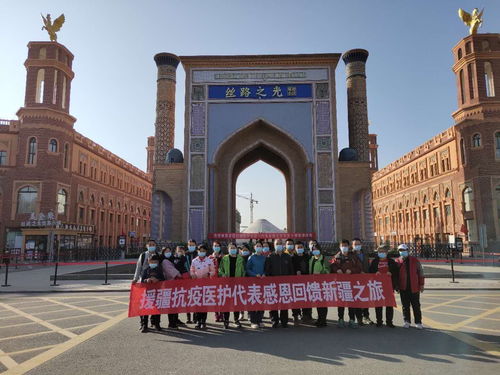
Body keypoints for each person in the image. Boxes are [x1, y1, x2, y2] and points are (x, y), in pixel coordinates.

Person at [330, 239, 363, 328]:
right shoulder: (336, 257)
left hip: (351, 284)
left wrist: (351, 270)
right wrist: (337, 270)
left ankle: (352, 320)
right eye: (342, 246)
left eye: (346, 246)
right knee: (341, 303)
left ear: (349, 247)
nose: (344, 247)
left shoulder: (354, 257)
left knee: (351, 302)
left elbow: (359, 268)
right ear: (340, 247)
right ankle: (340, 319)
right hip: (340, 284)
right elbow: (332, 267)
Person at [265, 239, 294, 328]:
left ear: (283, 245)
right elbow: (267, 270)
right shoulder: (270, 256)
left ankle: (284, 321)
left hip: (284, 284)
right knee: (274, 303)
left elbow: (291, 270)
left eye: (280, 244)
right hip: (273, 284)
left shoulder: (287, 257)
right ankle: (275, 320)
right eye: (277, 244)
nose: (279, 245)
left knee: (284, 302)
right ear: (274, 245)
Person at [132, 239, 159, 331]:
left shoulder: (158, 255)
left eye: (153, 244)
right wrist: (135, 279)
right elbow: (138, 267)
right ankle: (143, 324)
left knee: (156, 303)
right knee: (144, 303)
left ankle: (155, 322)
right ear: (147, 246)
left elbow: (161, 268)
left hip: (156, 283)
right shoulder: (143, 255)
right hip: (144, 282)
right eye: (150, 244)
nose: (152, 246)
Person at [368, 245, 399, 328]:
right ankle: (379, 321)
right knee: (378, 303)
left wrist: (391, 272)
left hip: (389, 285)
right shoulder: (374, 262)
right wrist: (375, 273)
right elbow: (370, 271)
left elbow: (396, 272)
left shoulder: (391, 262)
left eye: (383, 252)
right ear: (377, 253)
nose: (382, 253)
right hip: (377, 285)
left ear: (386, 252)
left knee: (389, 304)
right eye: (380, 252)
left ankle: (389, 321)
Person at [396, 244, 425, 329]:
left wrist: (422, 284)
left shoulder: (414, 260)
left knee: (416, 305)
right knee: (405, 306)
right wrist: (396, 286)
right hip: (403, 287)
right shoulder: (397, 261)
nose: (402, 252)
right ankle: (406, 321)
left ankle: (418, 322)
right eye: (400, 250)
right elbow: (396, 275)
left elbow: (420, 272)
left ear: (407, 250)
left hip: (414, 287)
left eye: (404, 250)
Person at [219, 243, 246, 329]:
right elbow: (220, 269)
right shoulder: (225, 258)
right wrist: (222, 274)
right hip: (227, 284)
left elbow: (243, 271)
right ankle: (226, 320)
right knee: (226, 302)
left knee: (236, 303)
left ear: (237, 249)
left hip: (237, 283)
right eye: (231, 248)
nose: (233, 249)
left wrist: (242, 279)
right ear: (228, 249)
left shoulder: (240, 259)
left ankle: (236, 320)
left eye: (234, 248)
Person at [190, 244, 215, 329]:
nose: (202, 252)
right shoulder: (194, 261)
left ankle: (203, 321)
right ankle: (198, 321)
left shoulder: (209, 261)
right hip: (196, 285)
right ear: (198, 251)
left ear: (206, 252)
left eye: (203, 251)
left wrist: (208, 274)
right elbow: (191, 270)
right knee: (197, 303)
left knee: (204, 303)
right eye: (200, 251)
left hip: (206, 285)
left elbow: (213, 271)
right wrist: (192, 274)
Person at [139, 254, 165, 333]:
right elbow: (142, 281)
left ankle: (157, 324)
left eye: (155, 261)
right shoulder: (146, 270)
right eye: (151, 261)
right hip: (147, 293)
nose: (153, 263)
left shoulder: (159, 270)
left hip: (157, 293)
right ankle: (144, 325)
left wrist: (157, 280)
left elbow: (163, 279)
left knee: (157, 310)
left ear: (157, 262)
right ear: (148, 261)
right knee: (146, 310)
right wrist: (147, 280)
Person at [352, 238, 374, 326]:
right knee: (356, 299)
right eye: (355, 244)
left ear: (361, 245)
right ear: (352, 246)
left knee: (365, 298)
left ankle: (366, 316)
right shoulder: (350, 255)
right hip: (355, 280)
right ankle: (359, 318)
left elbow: (368, 266)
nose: (357, 246)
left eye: (358, 244)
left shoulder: (365, 254)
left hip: (365, 279)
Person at [246, 241, 267, 329]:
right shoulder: (251, 257)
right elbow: (247, 269)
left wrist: (265, 273)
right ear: (254, 247)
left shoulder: (264, 257)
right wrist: (255, 275)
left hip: (262, 282)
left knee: (261, 300)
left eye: (260, 246)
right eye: (257, 246)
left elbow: (267, 268)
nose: (259, 247)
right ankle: (253, 321)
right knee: (253, 300)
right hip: (253, 282)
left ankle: (260, 319)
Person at [291, 241, 312, 325]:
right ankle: (296, 316)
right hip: (296, 281)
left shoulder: (307, 256)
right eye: (298, 247)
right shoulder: (293, 257)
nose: (300, 249)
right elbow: (290, 268)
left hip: (306, 281)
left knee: (306, 299)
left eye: (301, 247)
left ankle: (306, 316)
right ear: (295, 249)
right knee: (296, 299)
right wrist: (295, 272)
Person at [160, 247, 181, 330]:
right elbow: (172, 271)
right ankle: (171, 323)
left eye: (169, 251)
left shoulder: (171, 259)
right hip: (169, 284)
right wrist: (180, 275)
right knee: (172, 304)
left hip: (174, 284)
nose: (168, 252)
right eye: (166, 251)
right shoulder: (165, 261)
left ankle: (174, 321)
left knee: (175, 303)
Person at [309, 245, 329, 327]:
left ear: (320, 250)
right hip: (314, 284)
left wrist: (320, 274)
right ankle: (319, 319)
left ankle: (323, 321)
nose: (315, 251)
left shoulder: (324, 259)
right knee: (318, 302)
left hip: (323, 284)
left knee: (323, 303)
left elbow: (328, 271)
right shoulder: (312, 259)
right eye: (313, 249)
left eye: (316, 249)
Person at [209, 241, 224, 323]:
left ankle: (221, 314)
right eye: (215, 246)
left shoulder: (224, 257)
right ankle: (216, 314)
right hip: (213, 280)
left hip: (222, 280)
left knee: (221, 297)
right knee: (215, 298)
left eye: (218, 246)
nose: (216, 247)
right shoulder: (210, 257)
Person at [185, 239, 198, 324]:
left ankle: (195, 317)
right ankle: (188, 317)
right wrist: (189, 273)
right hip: (187, 278)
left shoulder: (199, 253)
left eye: (193, 245)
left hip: (197, 278)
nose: (191, 246)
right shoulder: (185, 254)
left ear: (195, 245)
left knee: (196, 297)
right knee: (188, 298)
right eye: (190, 245)